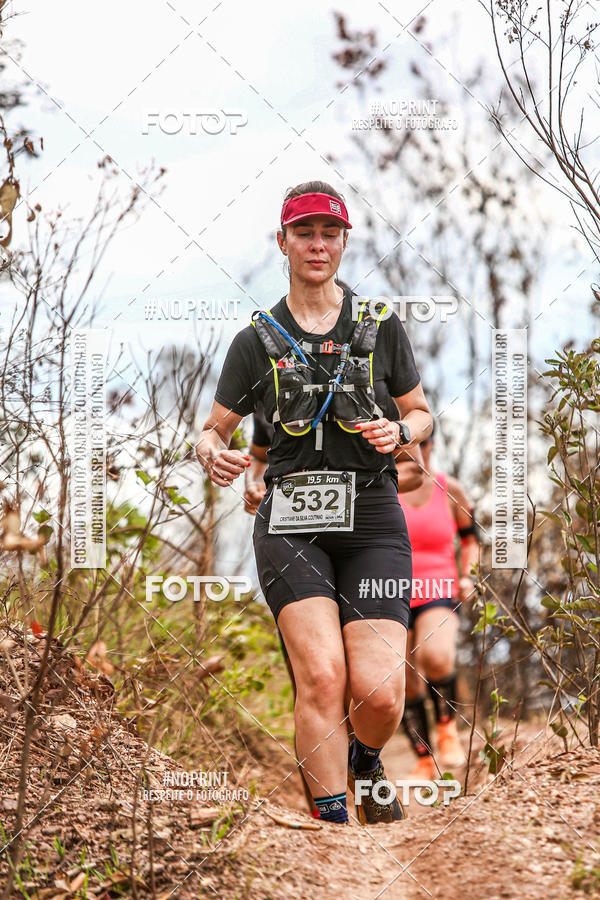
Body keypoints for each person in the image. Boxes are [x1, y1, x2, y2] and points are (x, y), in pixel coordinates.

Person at [196, 180, 432, 825]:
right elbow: (213, 428)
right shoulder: (256, 341)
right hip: (290, 522)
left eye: (330, 233)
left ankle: (365, 759)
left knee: (379, 693)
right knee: (323, 676)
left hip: (374, 518)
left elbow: (420, 412)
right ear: (283, 242)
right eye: (305, 233)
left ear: (345, 242)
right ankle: (333, 831)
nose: (318, 245)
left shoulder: (380, 327)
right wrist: (211, 451)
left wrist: (401, 431)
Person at [244, 404, 425, 818]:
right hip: (295, 545)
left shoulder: (373, 392)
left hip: (368, 542)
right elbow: (258, 462)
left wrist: (360, 487)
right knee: (320, 682)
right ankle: (328, 822)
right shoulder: (274, 390)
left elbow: (415, 470)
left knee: (371, 689)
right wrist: (255, 487)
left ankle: (364, 765)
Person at [397, 424, 480, 778]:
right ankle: (423, 758)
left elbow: (471, 539)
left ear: (430, 446)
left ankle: (447, 728)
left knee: (436, 656)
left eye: (421, 444)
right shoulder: (382, 490)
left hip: (438, 588)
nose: (413, 452)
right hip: (389, 591)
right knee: (403, 679)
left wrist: (468, 575)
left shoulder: (450, 489)